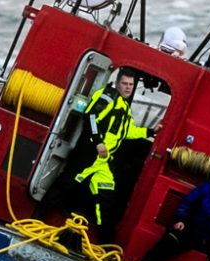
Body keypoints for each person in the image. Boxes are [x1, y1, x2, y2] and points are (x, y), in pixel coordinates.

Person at [62, 68, 161, 244]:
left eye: (131, 85)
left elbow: (128, 131)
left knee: (106, 201)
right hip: (91, 154)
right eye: (125, 83)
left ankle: (106, 244)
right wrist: (98, 142)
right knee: (66, 185)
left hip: (104, 162)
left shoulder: (124, 107)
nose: (128, 87)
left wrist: (151, 131)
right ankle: (38, 214)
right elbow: (91, 116)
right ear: (118, 83)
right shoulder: (108, 96)